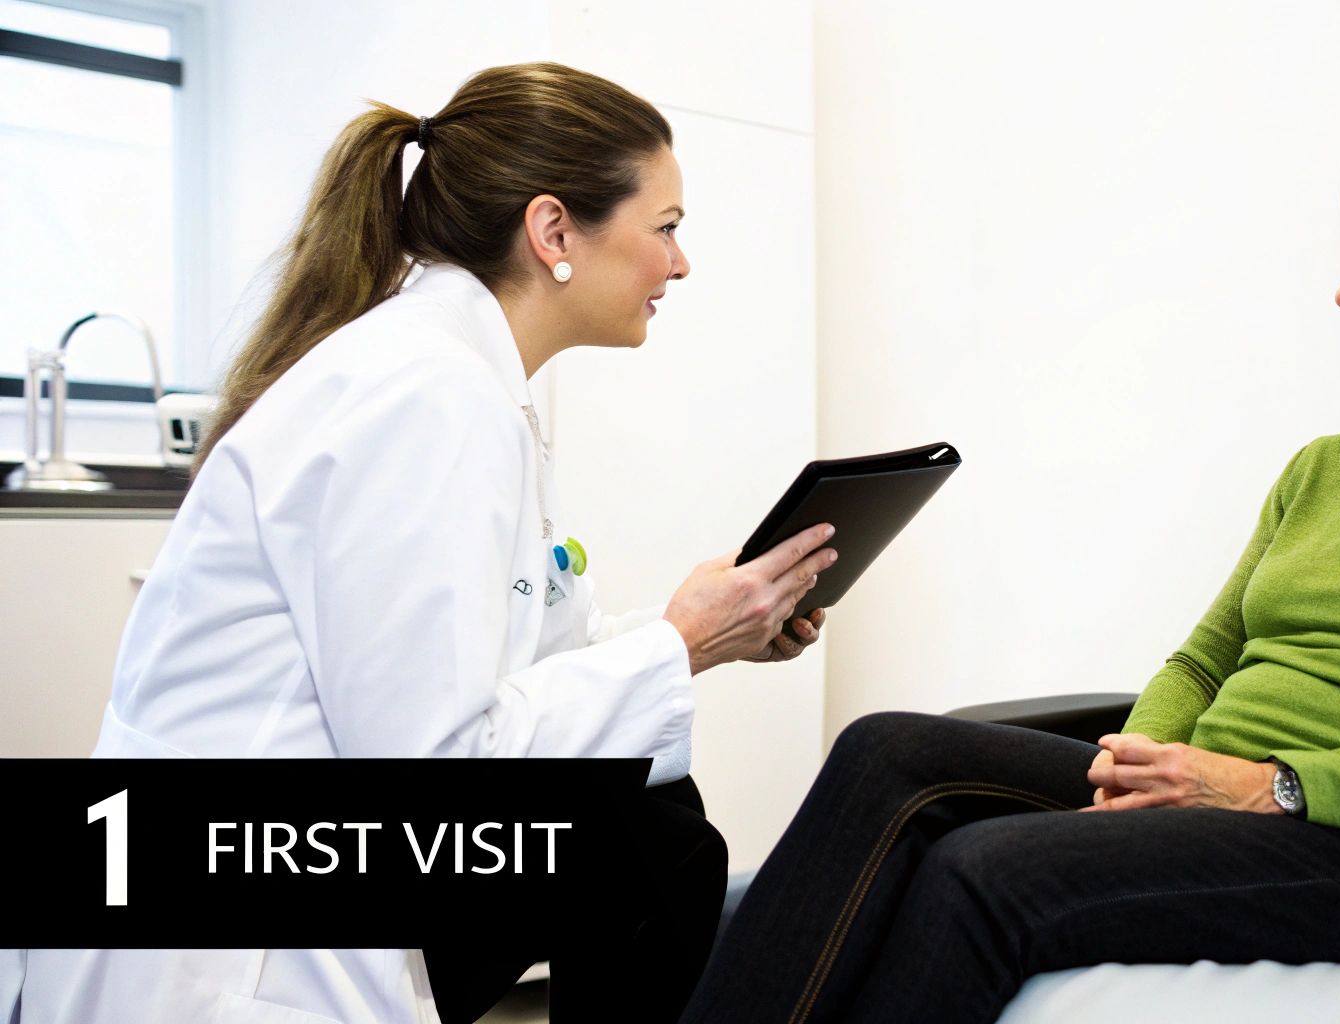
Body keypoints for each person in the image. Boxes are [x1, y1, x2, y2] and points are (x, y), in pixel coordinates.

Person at [680, 140, 1340, 1024]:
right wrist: (1141, 763)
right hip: (1215, 792)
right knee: (887, 748)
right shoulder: (1328, 464)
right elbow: (1204, 657)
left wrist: (1266, 787)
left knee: (988, 868)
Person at [13, 63, 837, 1024]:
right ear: (554, 231)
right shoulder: (425, 394)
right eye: (666, 229)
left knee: (660, 830)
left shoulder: (465, 383)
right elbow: (433, 775)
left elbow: (523, 653)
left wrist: (708, 627)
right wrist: (679, 644)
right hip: (228, 948)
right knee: (653, 845)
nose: (679, 265)